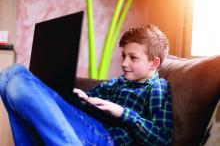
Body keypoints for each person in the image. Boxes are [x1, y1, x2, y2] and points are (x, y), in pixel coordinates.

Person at [0, 24, 173, 146]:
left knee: (17, 76)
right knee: (7, 78)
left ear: (154, 63)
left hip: (107, 139)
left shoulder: (156, 87)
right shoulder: (116, 83)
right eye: (124, 56)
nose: (124, 63)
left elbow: (162, 139)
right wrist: (82, 97)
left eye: (133, 57)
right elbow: (88, 102)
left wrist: (122, 112)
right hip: (88, 126)